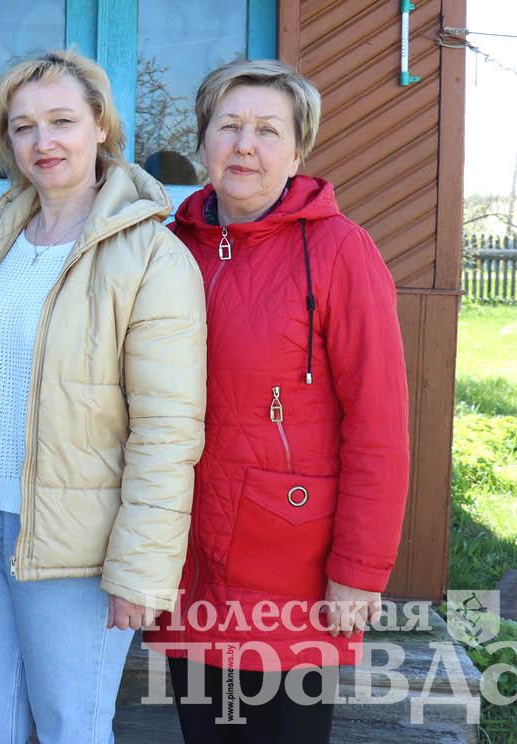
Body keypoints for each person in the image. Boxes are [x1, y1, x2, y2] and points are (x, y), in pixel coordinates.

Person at [145, 59, 410, 743]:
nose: (244, 145)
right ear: (201, 140)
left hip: (292, 561)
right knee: (206, 731)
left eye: (268, 130)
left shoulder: (342, 251)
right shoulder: (167, 248)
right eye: (228, 126)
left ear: (299, 151)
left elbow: (379, 424)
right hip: (188, 550)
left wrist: (359, 571)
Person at [0, 50, 207, 743]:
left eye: (62, 120)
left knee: (72, 728)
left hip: (80, 548)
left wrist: (139, 569)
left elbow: (167, 428)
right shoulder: (0, 237)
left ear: (100, 126)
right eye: (23, 126)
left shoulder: (153, 256)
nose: (43, 142)